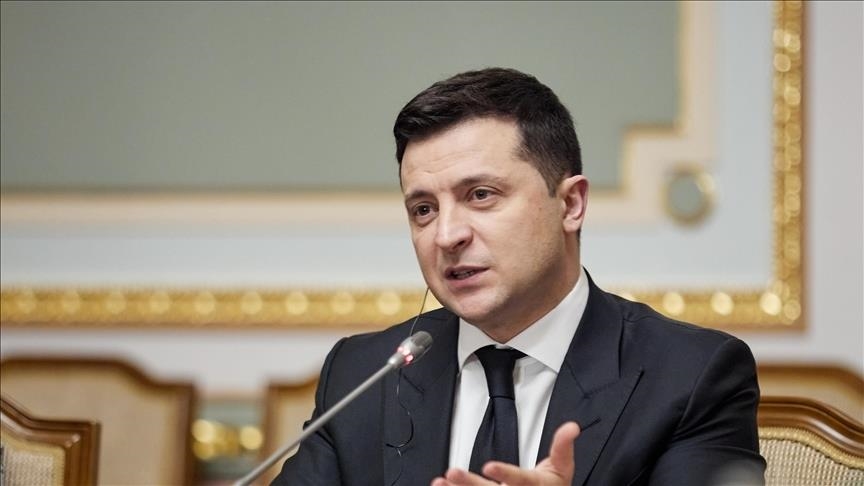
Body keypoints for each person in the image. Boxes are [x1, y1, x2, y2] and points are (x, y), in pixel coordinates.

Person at [272, 67, 765, 485]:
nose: (447, 235)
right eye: (423, 209)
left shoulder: (689, 376)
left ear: (570, 204)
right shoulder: (363, 374)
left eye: (481, 195)